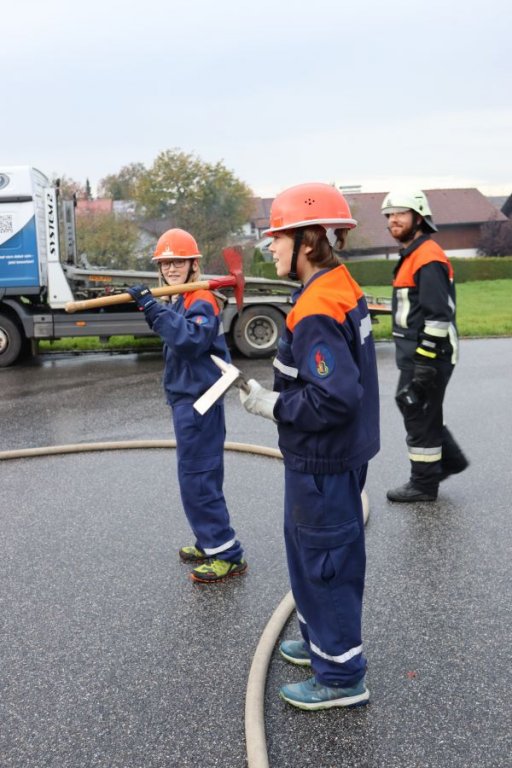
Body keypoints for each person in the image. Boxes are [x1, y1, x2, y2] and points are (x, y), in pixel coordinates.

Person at [239, 183, 380, 710]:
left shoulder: (319, 304)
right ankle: (322, 642)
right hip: (329, 456)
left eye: (278, 238)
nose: (270, 247)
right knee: (311, 555)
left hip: (323, 459)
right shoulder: (335, 283)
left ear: (310, 240)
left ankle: (342, 676)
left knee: (326, 563)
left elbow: (334, 398)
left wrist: (273, 405)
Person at [127, 228, 247, 583]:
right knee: (197, 474)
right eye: (165, 263)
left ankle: (226, 553)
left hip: (199, 402)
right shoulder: (183, 297)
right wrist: (154, 309)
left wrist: (151, 306)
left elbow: (190, 339)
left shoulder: (202, 299)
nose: (171, 269)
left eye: (177, 261)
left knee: (198, 477)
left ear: (194, 263)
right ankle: (207, 539)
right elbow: (175, 332)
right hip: (189, 398)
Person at [381, 190, 469, 502]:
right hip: (418, 355)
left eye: (401, 213)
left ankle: (424, 484)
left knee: (419, 413)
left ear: (419, 218)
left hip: (430, 355)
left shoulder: (427, 257)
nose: (393, 219)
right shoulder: (413, 254)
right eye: (389, 215)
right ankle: (450, 460)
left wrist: (425, 362)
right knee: (418, 409)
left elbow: (438, 316)